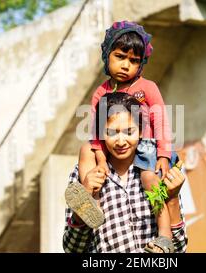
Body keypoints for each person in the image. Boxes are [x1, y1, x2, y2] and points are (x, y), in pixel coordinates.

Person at [76, 21, 177, 249]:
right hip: (110, 147)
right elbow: (95, 133)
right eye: (120, 57)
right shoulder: (100, 93)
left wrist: (163, 154)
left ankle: (164, 234)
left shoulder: (147, 87)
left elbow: (160, 120)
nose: (126, 65)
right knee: (85, 150)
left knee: (150, 179)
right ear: (107, 55)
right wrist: (100, 162)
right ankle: (92, 202)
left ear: (141, 64)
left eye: (134, 61)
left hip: (145, 147)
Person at [63, 92, 187, 253]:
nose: (121, 142)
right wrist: (84, 199)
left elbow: (180, 248)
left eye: (129, 132)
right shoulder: (84, 175)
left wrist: (172, 199)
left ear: (141, 131)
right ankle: (92, 203)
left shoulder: (156, 167)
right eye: (111, 132)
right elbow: (72, 249)